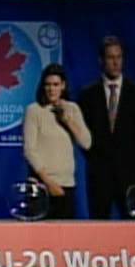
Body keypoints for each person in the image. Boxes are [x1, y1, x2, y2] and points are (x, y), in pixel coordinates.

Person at [78, 35, 135, 219]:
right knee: (98, 225)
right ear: (101, 60)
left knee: (133, 224)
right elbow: (82, 134)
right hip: (99, 174)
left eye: (119, 57)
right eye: (110, 57)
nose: (116, 62)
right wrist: (97, 159)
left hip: (129, 174)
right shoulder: (87, 95)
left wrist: (129, 158)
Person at [23, 63, 92, 219]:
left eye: (55, 84)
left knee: (65, 233)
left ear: (63, 86)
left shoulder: (72, 109)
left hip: (67, 186)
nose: (51, 89)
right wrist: (48, 182)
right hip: (41, 186)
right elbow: (29, 150)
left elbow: (86, 143)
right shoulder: (34, 111)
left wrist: (67, 121)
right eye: (47, 85)